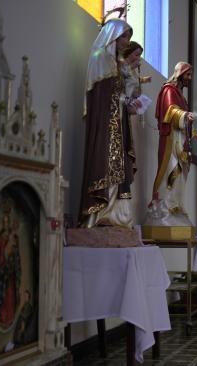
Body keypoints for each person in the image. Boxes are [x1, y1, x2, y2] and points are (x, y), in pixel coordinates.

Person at [79, 19, 140, 228]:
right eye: (124, 36)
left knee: (119, 165)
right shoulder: (99, 58)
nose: (126, 41)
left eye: (128, 37)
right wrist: (122, 101)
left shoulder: (118, 63)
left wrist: (128, 103)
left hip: (118, 124)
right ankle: (101, 213)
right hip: (106, 123)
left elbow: (121, 93)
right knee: (105, 163)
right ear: (112, 35)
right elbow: (100, 95)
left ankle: (116, 215)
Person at [149, 62, 197, 226]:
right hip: (171, 141)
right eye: (188, 75)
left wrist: (195, 134)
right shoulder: (169, 90)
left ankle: (177, 205)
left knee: (181, 173)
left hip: (182, 140)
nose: (190, 78)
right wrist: (185, 115)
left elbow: (185, 119)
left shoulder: (181, 95)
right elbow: (170, 111)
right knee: (172, 170)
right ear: (180, 74)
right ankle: (166, 207)